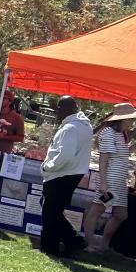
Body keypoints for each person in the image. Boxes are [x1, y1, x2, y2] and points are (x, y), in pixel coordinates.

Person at [82, 103, 136, 253]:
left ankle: (103, 245)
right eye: (131, 119)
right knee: (97, 210)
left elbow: (122, 154)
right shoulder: (108, 133)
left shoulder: (121, 134)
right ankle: (89, 244)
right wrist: (104, 183)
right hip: (110, 181)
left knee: (121, 215)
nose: (133, 122)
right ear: (122, 119)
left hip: (119, 182)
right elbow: (103, 159)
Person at [38, 96, 94, 257]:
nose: (57, 112)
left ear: (64, 109)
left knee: (50, 211)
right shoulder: (84, 126)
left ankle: (53, 246)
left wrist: (48, 166)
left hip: (61, 173)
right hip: (73, 172)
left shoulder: (70, 128)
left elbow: (65, 155)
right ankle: (71, 241)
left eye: (58, 108)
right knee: (52, 209)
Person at [0, 89, 26, 155]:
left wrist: (4, 136)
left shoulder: (17, 118)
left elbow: (21, 138)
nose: (0, 100)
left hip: (2, 154)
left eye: (3, 98)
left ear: (10, 102)